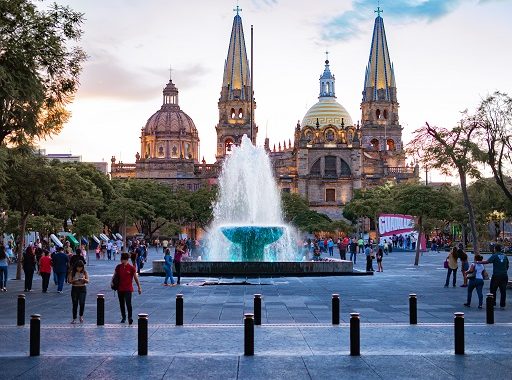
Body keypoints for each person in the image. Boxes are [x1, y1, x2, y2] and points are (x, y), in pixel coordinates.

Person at [113, 252, 142, 324]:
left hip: (128, 288)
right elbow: (115, 275)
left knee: (128, 303)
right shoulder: (118, 267)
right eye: (121, 259)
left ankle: (130, 317)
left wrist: (139, 287)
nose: (122, 261)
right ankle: (123, 317)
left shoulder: (131, 268)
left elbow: (135, 278)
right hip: (120, 288)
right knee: (121, 303)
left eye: (123, 259)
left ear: (126, 260)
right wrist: (112, 282)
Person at [479, 244, 509, 309]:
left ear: (495, 249)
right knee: (503, 291)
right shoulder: (505, 256)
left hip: (496, 276)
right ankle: (502, 305)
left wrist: (478, 262)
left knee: (493, 290)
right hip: (504, 275)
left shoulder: (495, 255)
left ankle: (493, 303)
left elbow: (487, 261)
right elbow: (507, 266)